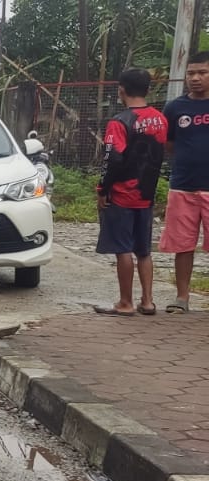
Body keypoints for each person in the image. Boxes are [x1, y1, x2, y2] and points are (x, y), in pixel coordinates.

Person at [95, 68, 168, 317]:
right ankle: (147, 301)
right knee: (144, 250)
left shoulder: (120, 122)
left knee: (123, 249)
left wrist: (102, 189)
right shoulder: (160, 119)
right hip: (146, 195)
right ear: (148, 89)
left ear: (121, 90)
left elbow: (112, 159)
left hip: (123, 195)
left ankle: (125, 302)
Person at [161, 51, 209, 313]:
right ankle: (182, 298)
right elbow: (169, 144)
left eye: (202, 72)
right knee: (183, 245)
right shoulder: (175, 108)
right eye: (191, 73)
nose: (195, 78)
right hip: (183, 186)